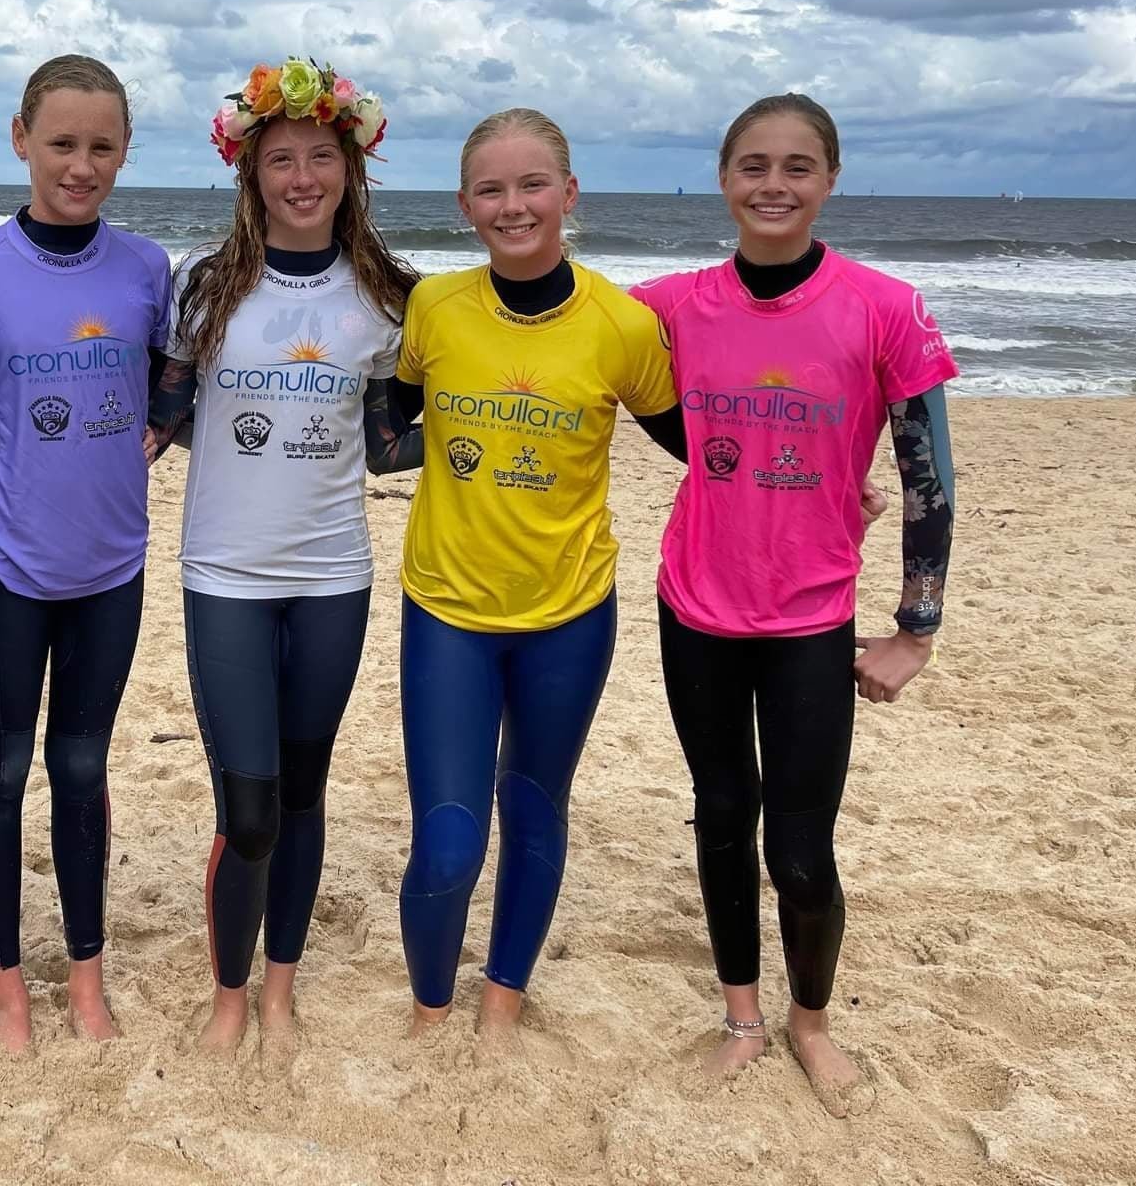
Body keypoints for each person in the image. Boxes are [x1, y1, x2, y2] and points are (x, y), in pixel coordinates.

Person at [630, 94, 958, 1115]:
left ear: (827, 179)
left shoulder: (883, 306)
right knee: (721, 816)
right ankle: (739, 1014)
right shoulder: (671, 304)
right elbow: (566, 339)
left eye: (796, 166)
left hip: (810, 618)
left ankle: (807, 1023)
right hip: (693, 607)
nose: (772, 185)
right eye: (752, 165)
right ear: (722, 179)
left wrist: (914, 630)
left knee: (801, 847)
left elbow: (926, 479)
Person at [389, 108, 683, 1039]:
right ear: (466, 205)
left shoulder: (623, 327)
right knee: (446, 842)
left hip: (570, 613)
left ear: (569, 193)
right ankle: (433, 1005)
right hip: (447, 609)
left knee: (533, 810)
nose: (513, 207)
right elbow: (387, 427)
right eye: (491, 189)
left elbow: (703, 448)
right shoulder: (434, 308)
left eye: (531, 185)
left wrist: (838, 484)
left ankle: (503, 1002)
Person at [146, 59, 421, 1054]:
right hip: (223, 579)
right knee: (248, 807)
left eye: (319, 157)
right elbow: (150, 418)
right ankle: (227, 996)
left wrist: (518, 436)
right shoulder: (205, 286)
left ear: (350, 168)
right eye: (279, 161)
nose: (300, 176)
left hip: (331, 581)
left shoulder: (390, 299)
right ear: (249, 174)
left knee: (302, 794)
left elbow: (392, 443)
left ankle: (277, 992)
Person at [0, 54, 173, 1050]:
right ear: (19, 138)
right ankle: (5, 988)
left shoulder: (146, 267)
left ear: (122, 152)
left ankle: (86, 979)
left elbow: (164, 381)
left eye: (100, 146)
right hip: (5, 569)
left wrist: (146, 428)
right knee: (2, 766)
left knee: (81, 768)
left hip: (112, 566)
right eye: (60, 142)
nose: (80, 164)